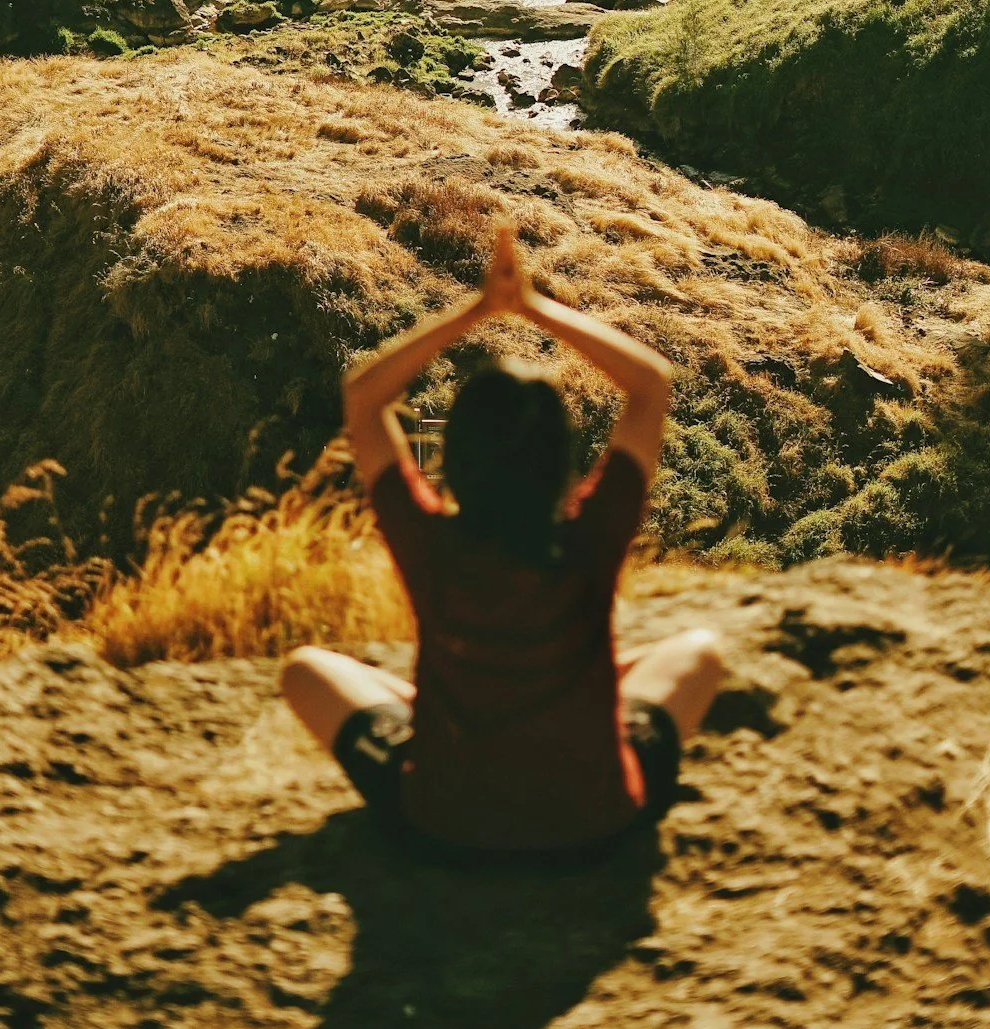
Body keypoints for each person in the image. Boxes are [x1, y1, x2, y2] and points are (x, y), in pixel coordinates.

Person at [283, 226, 724, 862]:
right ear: (560, 467)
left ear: (455, 463)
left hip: (441, 827)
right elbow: (651, 385)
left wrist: (476, 310)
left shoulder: (429, 544)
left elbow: (363, 395)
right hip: (598, 824)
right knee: (700, 650)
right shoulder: (590, 541)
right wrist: (535, 306)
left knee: (306, 670)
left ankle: (435, 710)